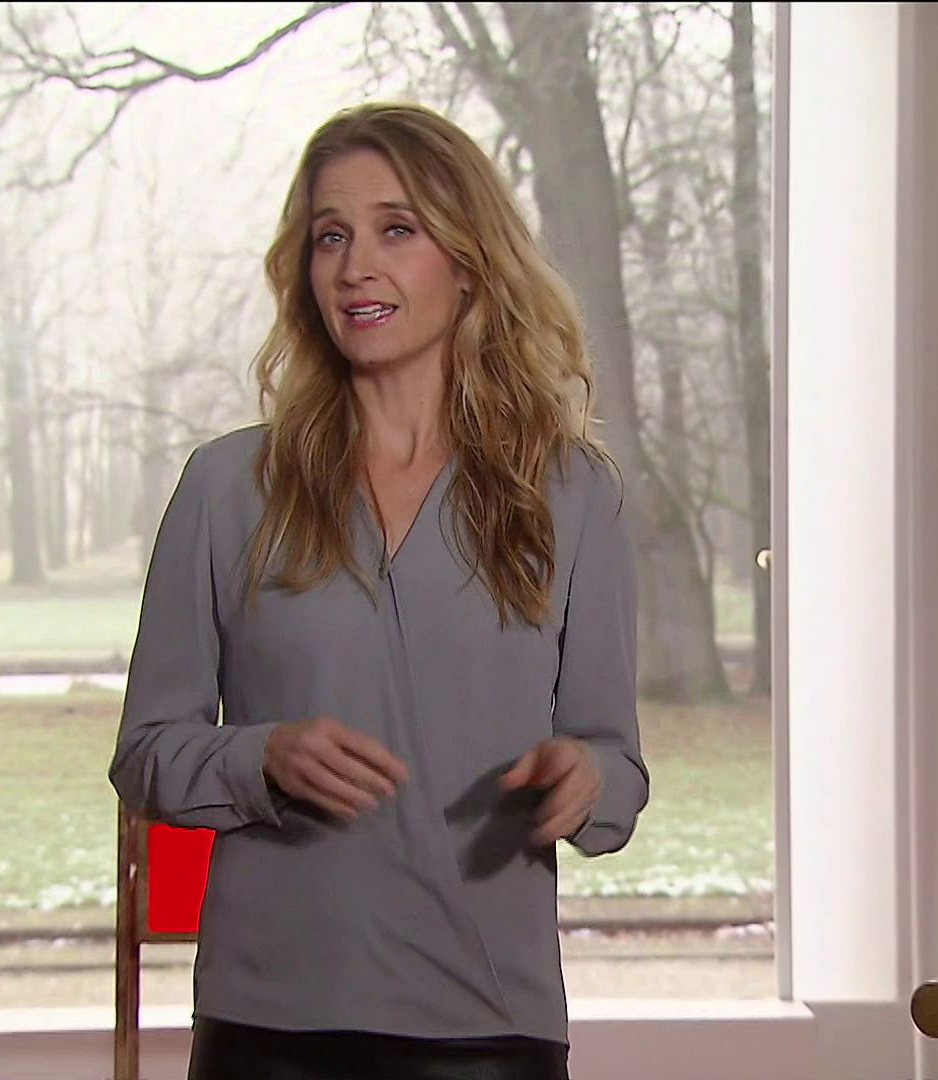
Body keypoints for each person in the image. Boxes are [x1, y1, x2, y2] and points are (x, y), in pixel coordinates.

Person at [109, 101, 650, 1080]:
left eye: (396, 229)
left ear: (468, 259)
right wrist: (263, 758)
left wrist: (586, 780)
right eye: (331, 236)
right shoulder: (227, 489)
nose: (356, 265)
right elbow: (147, 755)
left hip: (490, 1029)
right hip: (269, 1030)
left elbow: (618, 766)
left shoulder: (570, 494)